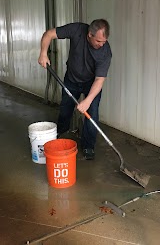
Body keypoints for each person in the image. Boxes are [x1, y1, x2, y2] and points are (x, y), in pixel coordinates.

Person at [38, 19, 112, 160]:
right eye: (98, 41)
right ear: (90, 34)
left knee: (92, 114)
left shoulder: (105, 52)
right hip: (71, 79)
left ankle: (88, 145)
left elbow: (99, 80)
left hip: (92, 84)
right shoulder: (77, 29)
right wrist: (43, 53)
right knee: (66, 108)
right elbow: (49, 34)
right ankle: (60, 131)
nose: (102, 44)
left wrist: (88, 101)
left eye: (104, 41)